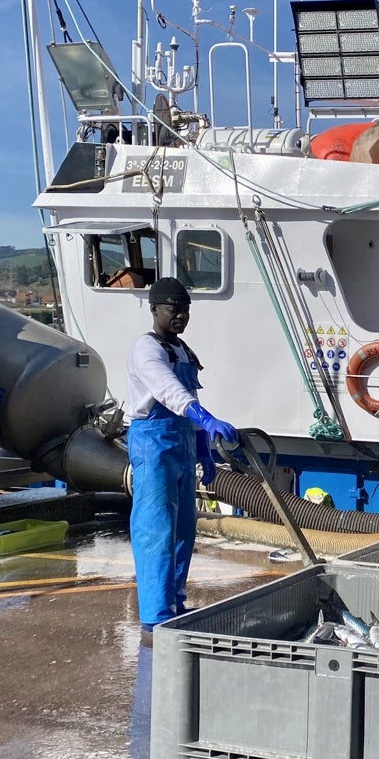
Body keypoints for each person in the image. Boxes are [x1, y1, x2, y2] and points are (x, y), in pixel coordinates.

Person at [125, 277, 238, 646]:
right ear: (154, 309)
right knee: (155, 528)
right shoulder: (146, 350)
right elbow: (168, 390)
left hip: (182, 442)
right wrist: (204, 418)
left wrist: (203, 444)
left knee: (183, 528)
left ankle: (174, 603)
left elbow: (187, 392)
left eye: (185, 310)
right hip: (153, 443)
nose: (180, 317)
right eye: (174, 309)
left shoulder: (184, 350)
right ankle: (153, 622)